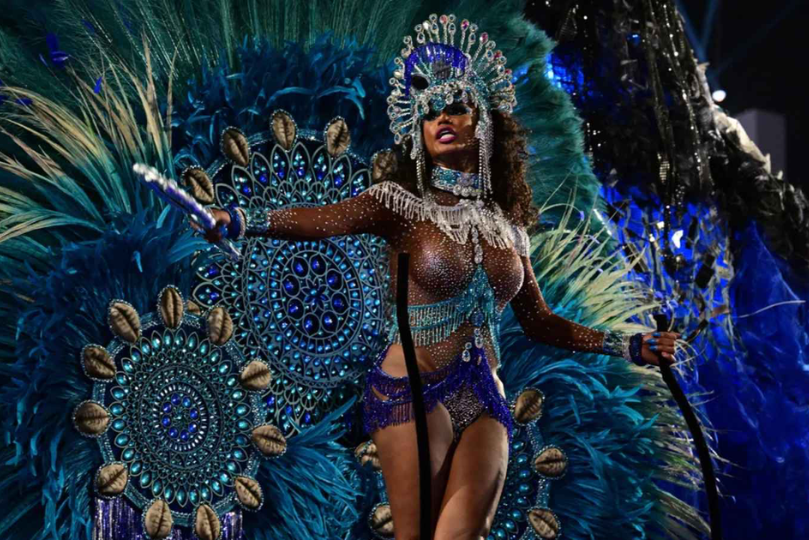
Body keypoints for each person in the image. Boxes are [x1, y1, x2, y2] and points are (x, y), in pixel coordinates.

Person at [199, 14, 678, 540]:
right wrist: (242, 220)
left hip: (486, 397)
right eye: (428, 114)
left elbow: (541, 322)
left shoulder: (510, 230)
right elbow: (322, 219)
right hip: (410, 391)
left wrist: (630, 346)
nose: (441, 119)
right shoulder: (398, 206)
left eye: (455, 107)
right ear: (418, 132)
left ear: (485, 121)